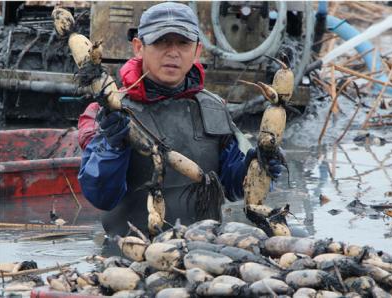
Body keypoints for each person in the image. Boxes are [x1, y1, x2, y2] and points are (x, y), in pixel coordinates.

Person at [77, 2, 283, 237]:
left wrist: (259, 164)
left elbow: (234, 188)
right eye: (161, 42)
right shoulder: (108, 112)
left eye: (183, 43)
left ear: (197, 51)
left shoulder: (214, 108)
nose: (173, 52)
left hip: (204, 248)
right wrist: (111, 146)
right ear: (138, 47)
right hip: (131, 251)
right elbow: (100, 196)